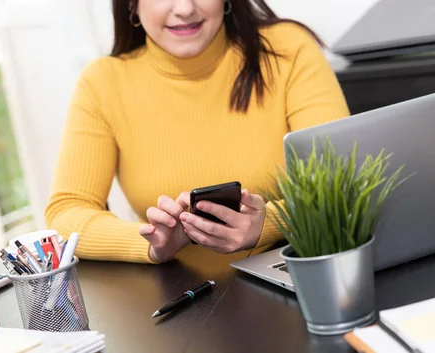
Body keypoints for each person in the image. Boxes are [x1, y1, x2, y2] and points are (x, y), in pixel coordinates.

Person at [45, 0, 350, 264]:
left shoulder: (287, 49)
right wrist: (151, 243)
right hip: (173, 299)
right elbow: (65, 213)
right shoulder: (102, 83)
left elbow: (341, 185)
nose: (185, 9)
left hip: (290, 275)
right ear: (131, 4)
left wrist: (267, 224)